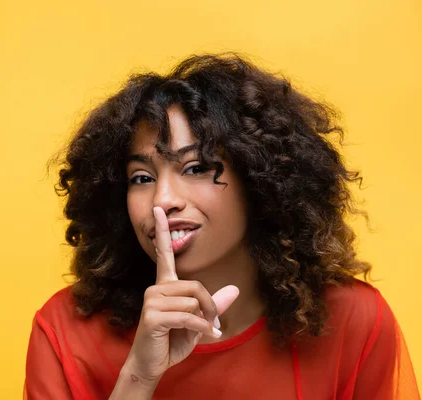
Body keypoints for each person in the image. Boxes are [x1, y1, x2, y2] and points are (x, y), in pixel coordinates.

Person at [24, 53, 420, 399]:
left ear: (258, 181)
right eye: (141, 178)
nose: (163, 200)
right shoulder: (63, 331)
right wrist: (139, 376)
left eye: (195, 168)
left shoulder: (352, 320)